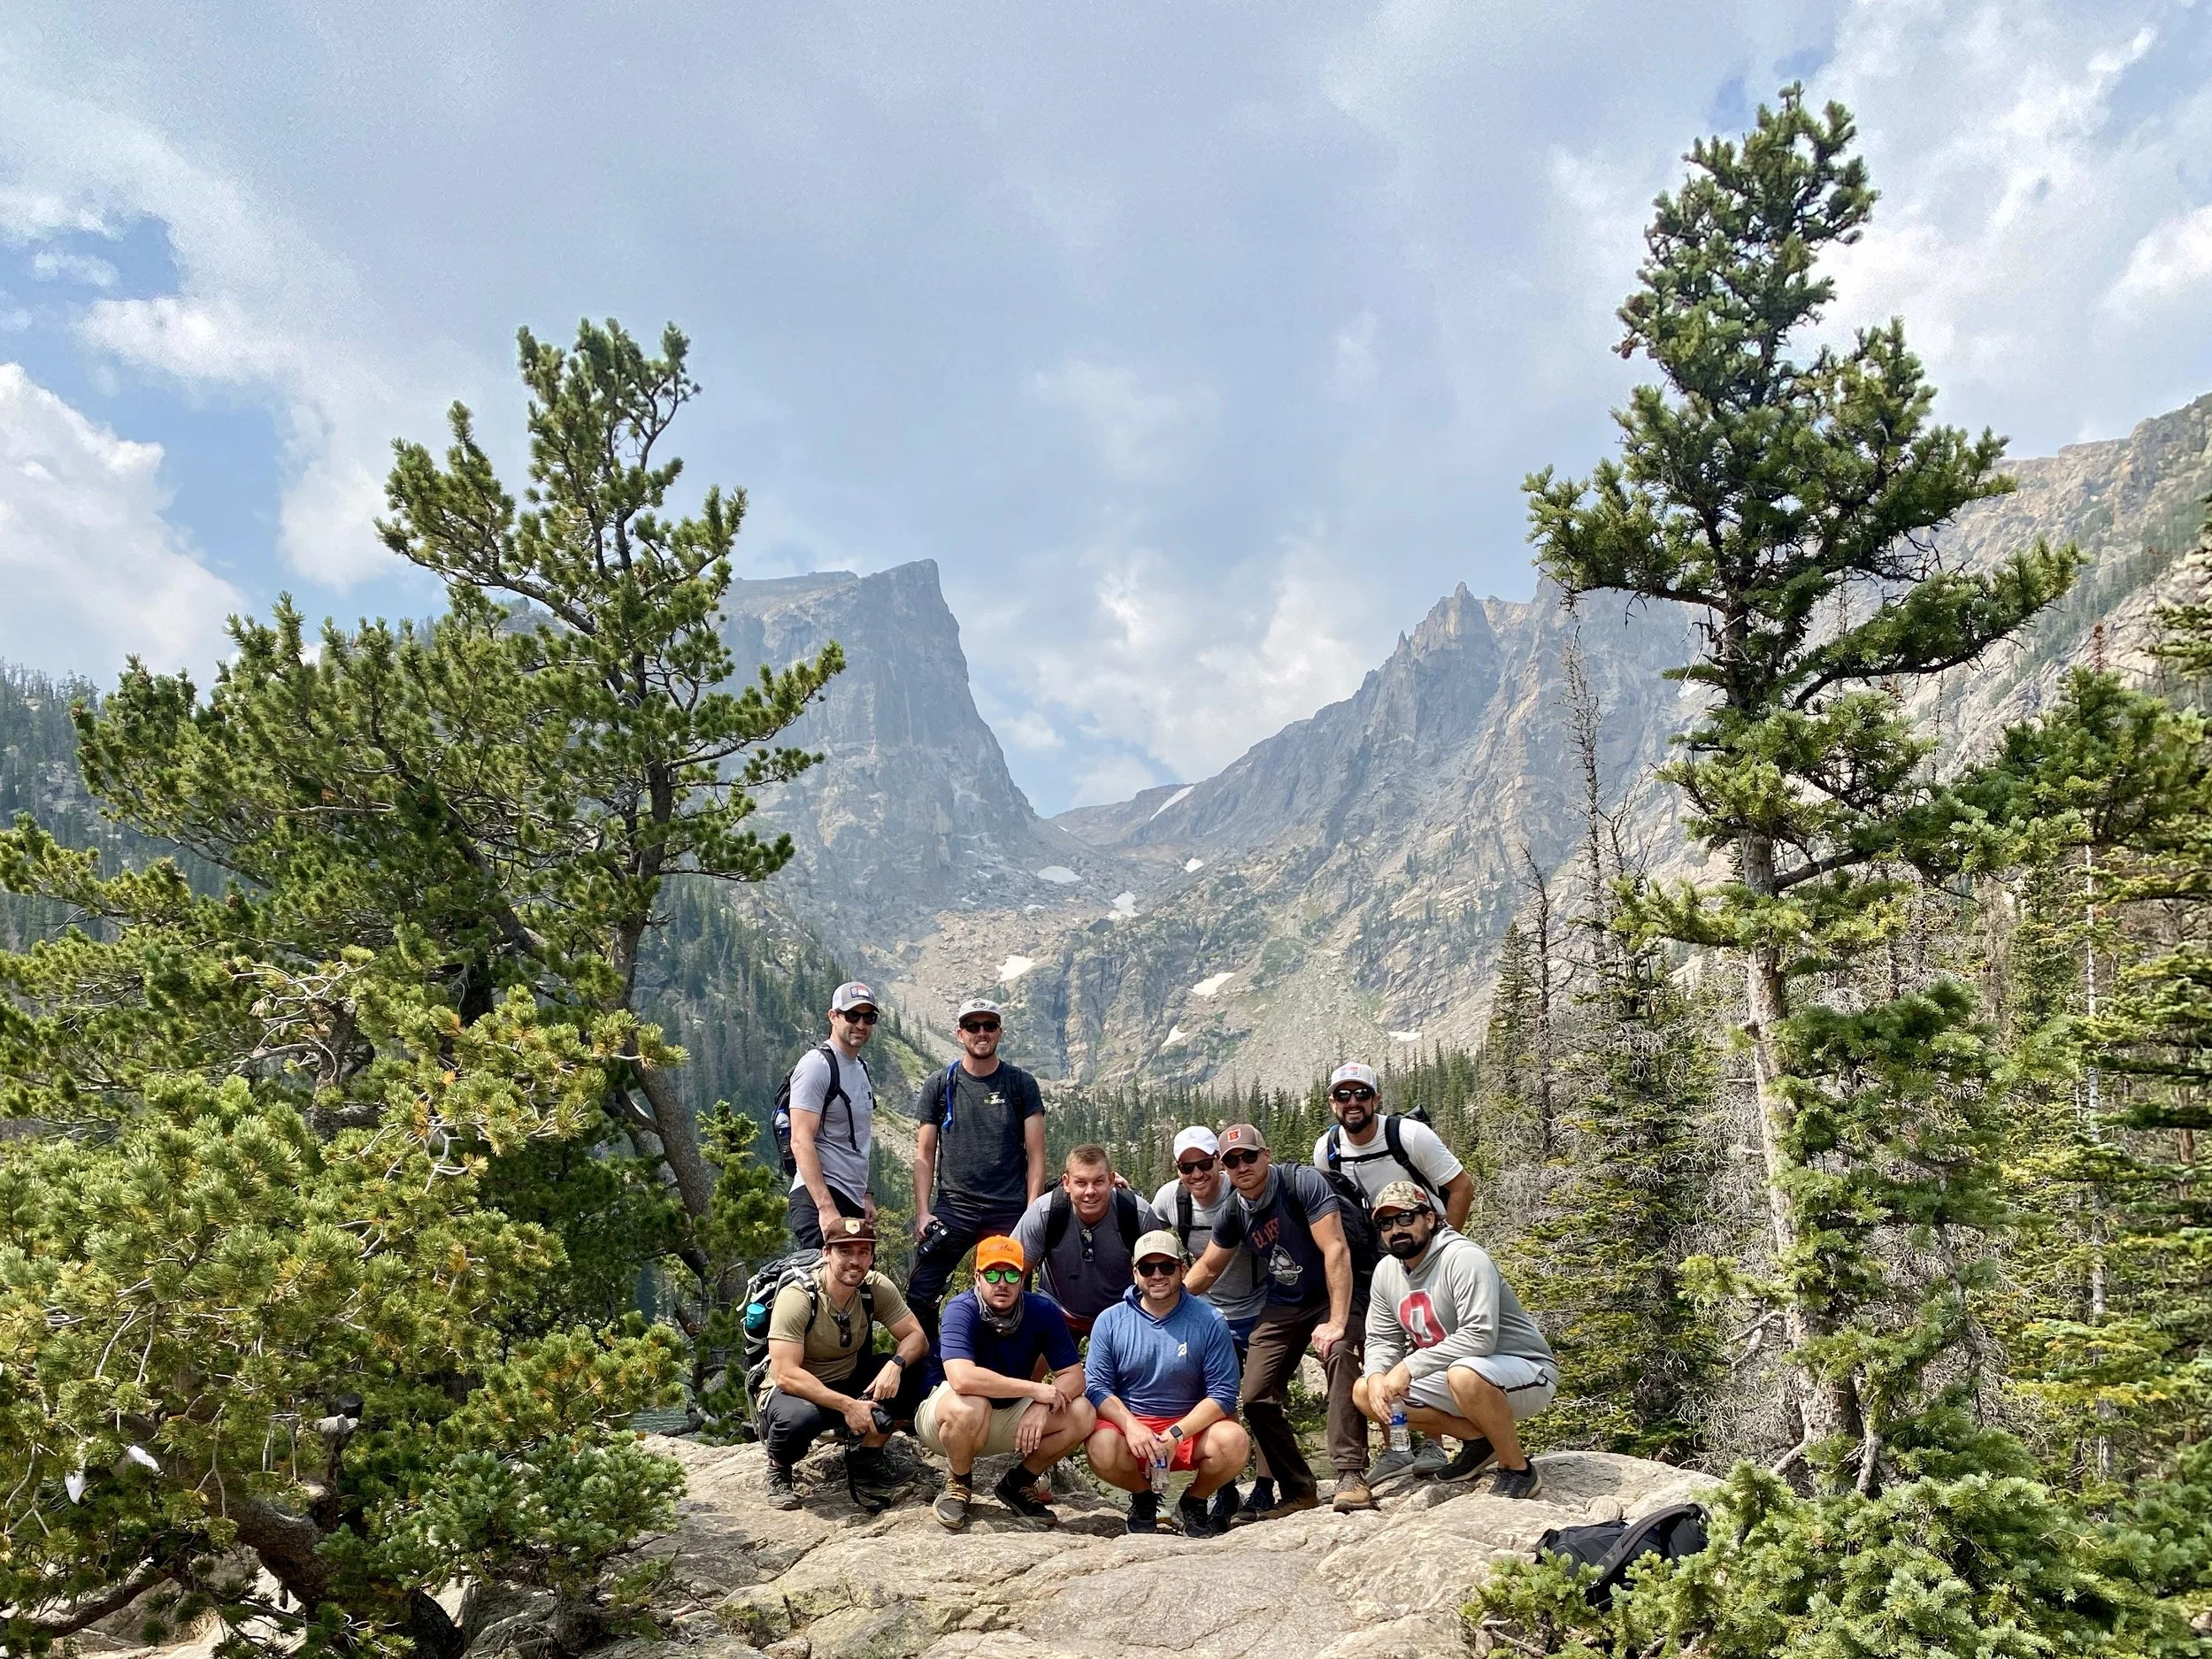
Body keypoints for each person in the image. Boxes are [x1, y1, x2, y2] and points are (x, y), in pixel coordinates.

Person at [1184, 1123, 1371, 1517]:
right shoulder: (1235, 1209)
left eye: (1249, 1156)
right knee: (1255, 1395)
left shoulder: (1301, 1185)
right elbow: (1209, 1267)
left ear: (1265, 1156)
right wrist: (1161, 1300)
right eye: (1232, 1161)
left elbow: (1335, 1249)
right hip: (1284, 1300)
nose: (1242, 1166)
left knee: (1338, 1352)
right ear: (1224, 1167)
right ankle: (1299, 1489)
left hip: (1333, 1292)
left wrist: (1337, 1320)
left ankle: (1351, 1474)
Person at [1311, 1061, 1474, 1484]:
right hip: (1372, 1262)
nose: (1352, 1103)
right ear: (1332, 1103)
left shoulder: (1408, 1136)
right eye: (1343, 1095)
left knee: (1427, 1341)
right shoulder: (1326, 1149)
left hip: (1426, 1250)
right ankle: (1398, 1448)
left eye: (1361, 1094)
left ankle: (1438, 1444)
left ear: (1376, 1099)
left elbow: (1461, 1187)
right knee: (1378, 1348)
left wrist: (1443, 1246)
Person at [1355, 1181, 1556, 1501]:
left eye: (1406, 1218)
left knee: (1464, 1374)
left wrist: (1409, 1366)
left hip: (1524, 1370)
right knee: (1366, 1391)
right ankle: (1481, 1440)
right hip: (1458, 1374)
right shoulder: (1386, 1272)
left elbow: (1480, 1336)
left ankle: (1518, 1469)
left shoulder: (1463, 1258)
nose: (1396, 1230)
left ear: (1430, 1219)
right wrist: (1379, 1373)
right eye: (1386, 1223)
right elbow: (1382, 1337)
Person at [915, 1235, 1096, 1530]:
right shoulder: (961, 1309)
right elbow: (961, 1378)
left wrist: (1041, 1405)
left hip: (1007, 1415)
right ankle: (958, 1483)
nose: (1002, 1282)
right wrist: (1035, 1390)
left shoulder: (1042, 1312)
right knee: (972, 1404)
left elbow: (1075, 1376)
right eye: (992, 1273)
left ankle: (1018, 1484)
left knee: (1083, 1413)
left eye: (1011, 1274)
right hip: (946, 1417)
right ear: (978, 1276)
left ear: (1023, 1277)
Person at [1083, 1229, 1250, 1537]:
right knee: (1100, 1446)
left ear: (1183, 1270)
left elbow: (1224, 1394)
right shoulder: (1109, 1321)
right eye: (1148, 1268)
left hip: (1188, 1425)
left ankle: (1195, 1501)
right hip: (1132, 1425)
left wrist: (1176, 1434)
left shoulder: (1209, 1320)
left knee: (1235, 1441)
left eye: (1167, 1267)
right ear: (1135, 1274)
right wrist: (1132, 1426)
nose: (1157, 1275)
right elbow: (1096, 1387)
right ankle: (1145, 1499)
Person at [759, 1217, 931, 1511]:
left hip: (848, 1381)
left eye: (863, 1252)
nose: (855, 1260)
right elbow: (786, 1375)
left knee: (914, 1370)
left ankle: (867, 1456)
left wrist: (896, 1365)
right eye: (845, 1251)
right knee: (799, 1420)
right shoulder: (799, 1297)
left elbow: (917, 1337)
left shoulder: (874, 1288)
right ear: (826, 1253)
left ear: (872, 1256)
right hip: (795, 1393)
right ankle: (779, 1468)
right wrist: (848, 1407)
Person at [907, 998, 1048, 1349]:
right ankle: (936, 1367)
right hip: (955, 1206)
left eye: (989, 1026)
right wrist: (923, 1212)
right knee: (920, 1292)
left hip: (1009, 1208)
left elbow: (1036, 1155)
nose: (981, 1033)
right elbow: (924, 1154)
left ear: (999, 1031)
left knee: (1011, 1299)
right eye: (973, 1027)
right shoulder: (940, 1084)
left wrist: (1030, 1214)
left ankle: (1006, 1378)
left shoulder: (1020, 1084)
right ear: (960, 1034)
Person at [1153, 1125, 1273, 1528]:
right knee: (1215, 1401)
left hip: (1257, 1307)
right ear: (1178, 1169)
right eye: (1188, 1168)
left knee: (1262, 1399)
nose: (1197, 1175)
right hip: (1206, 1312)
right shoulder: (1171, 1199)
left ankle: (1264, 1486)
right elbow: (1148, 1241)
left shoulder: (1240, 1195)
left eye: (1206, 1164)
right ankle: (1225, 1487)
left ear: (1219, 1164)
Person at [1012, 1146, 1162, 1336]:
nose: (1090, 1191)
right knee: (1031, 1360)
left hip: (1122, 1314)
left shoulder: (1137, 1214)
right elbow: (1013, 1270)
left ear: (1111, 1180)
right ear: (1066, 1183)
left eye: (1098, 1182)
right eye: (1081, 1183)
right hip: (1058, 1311)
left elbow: (1162, 1273)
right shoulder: (1044, 1212)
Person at [786, 981, 880, 1251]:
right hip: (821, 1198)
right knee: (826, 1287)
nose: (860, 1024)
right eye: (852, 1016)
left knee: (856, 1288)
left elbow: (857, 1140)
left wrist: (865, 1194)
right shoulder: (816, 1065)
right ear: (833, 1016)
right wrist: (826, 1208)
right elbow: (801, 1140)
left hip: (852, 1200)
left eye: (868, 1017)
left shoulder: (860, 1067)